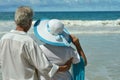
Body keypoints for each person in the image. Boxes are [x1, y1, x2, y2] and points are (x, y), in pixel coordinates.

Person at [0, 6, 73, 80]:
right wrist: (62, 68)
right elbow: (44, 67)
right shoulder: (28, 42)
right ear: (30, 22)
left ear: (15, 21)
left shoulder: (4, 38)